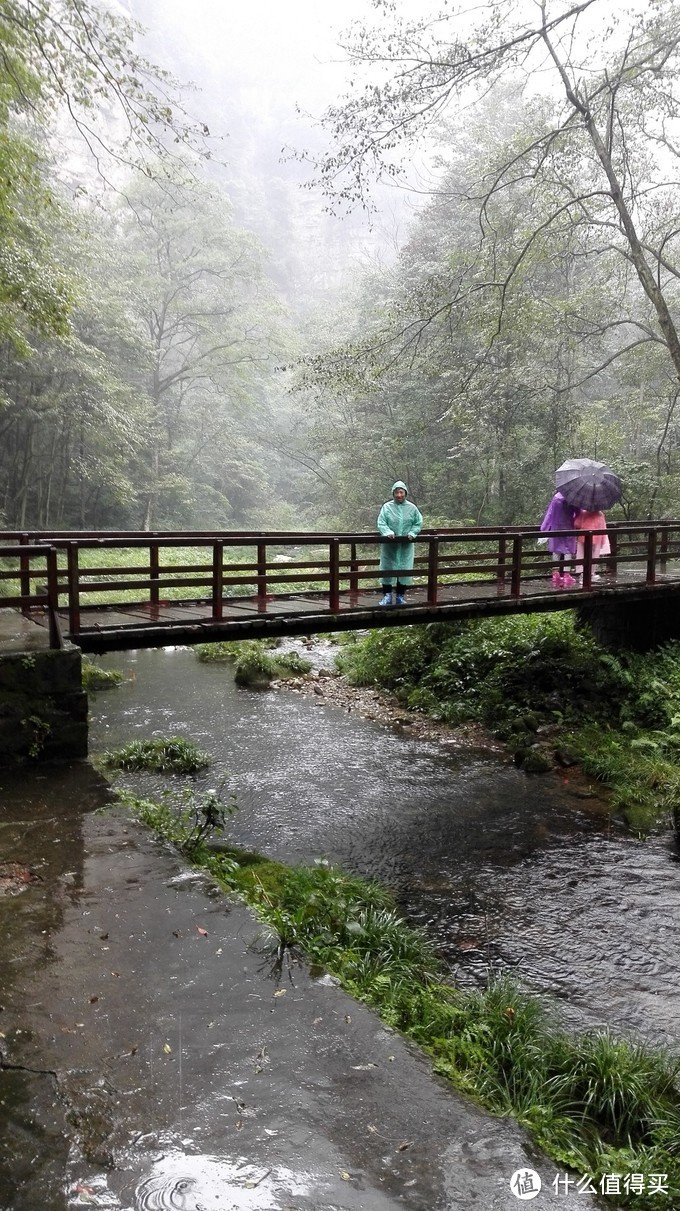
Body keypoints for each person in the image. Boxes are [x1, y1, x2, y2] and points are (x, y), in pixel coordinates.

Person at [377, 480, 423, 605]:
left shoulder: (412, 508)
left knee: (404, 569)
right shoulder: (387, 507)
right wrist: (387, 532)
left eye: (401, 492)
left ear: (405, 493)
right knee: (387, 568)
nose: (399, 495)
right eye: (397, 492)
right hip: (390, 546)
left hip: (405, 546)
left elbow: (418, 523)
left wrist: (413, 533)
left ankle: (400, 596)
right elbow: (381, 522)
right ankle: (387, 596)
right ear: (393, 493)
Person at [540, 491, 579, 587]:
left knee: (556, 549)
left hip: (556, 527)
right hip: (569, 527)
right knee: (568, 550)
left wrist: (544, 528)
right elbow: (578, 513)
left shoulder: (556, 498)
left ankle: (555, 574)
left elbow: (550, 514)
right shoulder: (572, 498)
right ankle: (566, 574)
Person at [574, 509, 610, 577]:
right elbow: (603, 529)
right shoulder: (600, 514)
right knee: (594, 556)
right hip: (596, 539)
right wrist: (603, 540)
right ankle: (592, 573)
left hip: (583, 537)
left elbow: (576, 524)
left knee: (582, 554)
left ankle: (581, 572)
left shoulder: (583, 513)